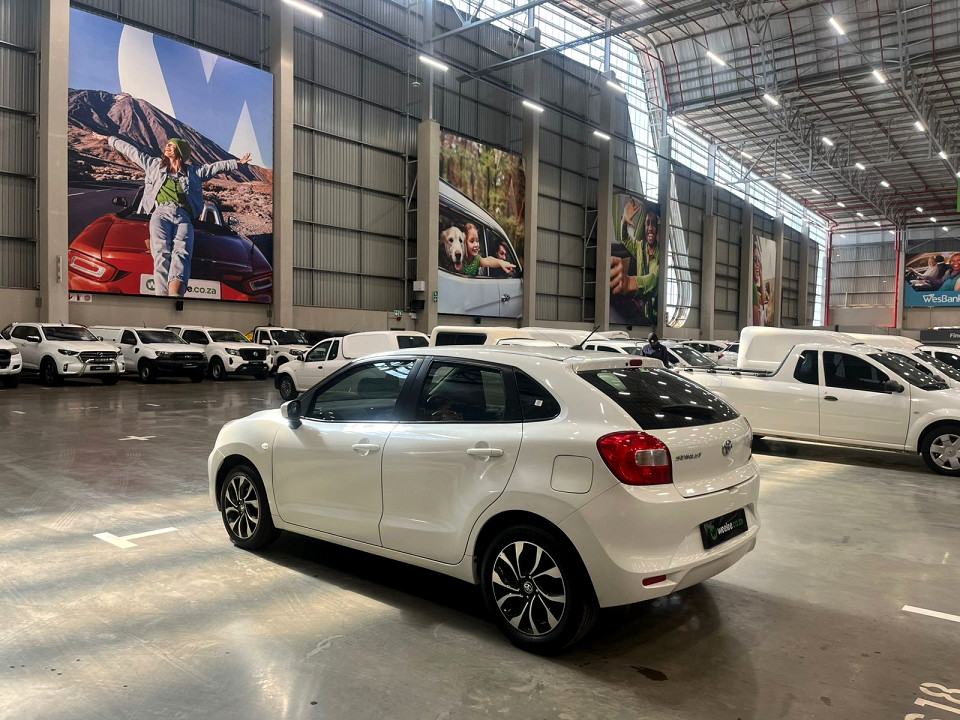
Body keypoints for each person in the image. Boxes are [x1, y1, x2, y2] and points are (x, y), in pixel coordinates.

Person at [95, 133, 251, 297]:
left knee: (182, 253)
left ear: (180, 151)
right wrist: (109, 139)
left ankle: (175, 296)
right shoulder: (154, 165)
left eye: (172, 145)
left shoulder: (194, 173)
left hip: (184, 217)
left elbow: (214, 167)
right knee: (161, 251)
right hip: (160, 214)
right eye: (167, 144)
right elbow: (132, 151)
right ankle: (162, 297)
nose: (167, 146)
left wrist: (237, 163)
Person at [610, 206, 660, 322]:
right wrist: (624, 221)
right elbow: (625, 239)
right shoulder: (640, 247)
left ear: (657, 229)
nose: (650, 228)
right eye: (647, 224)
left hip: (652, 317)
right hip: (639, 307)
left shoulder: (661, 256)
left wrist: (629, 282)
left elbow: (653, 279)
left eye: (653, 224)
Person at [752, 239, 770, 326]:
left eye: (759, 260)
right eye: (755, 260)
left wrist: (761, 273)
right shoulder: (752, 288)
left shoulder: (755, 288)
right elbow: (756, 325)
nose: (758, 264)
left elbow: (763, 300)